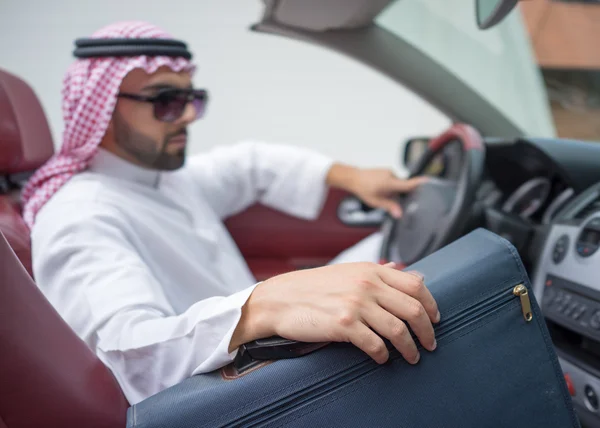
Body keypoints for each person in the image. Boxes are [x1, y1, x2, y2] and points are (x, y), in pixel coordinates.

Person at [25, 21, 440, 405]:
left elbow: (251, 165)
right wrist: (263, 305)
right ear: (100, 108)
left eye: (192, 99)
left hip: (261, 364)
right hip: (233, 398)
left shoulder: (162, 180)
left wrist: (350, 176)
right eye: (166, 101)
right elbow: (127, 354)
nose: (187, 115)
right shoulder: (80, 215)